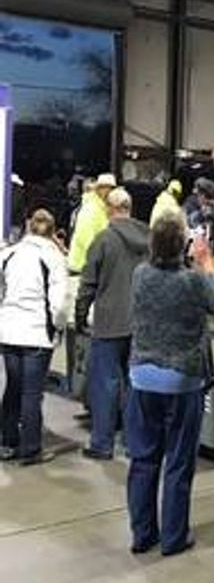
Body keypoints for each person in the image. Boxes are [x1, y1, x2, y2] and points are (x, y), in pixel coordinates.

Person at [126, 213, 214, 555]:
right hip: (182, 380)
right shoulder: (192, 281)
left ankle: (142, 534)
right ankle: (173, 537)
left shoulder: (140, 275)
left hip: (142, 376)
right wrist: (206, 261)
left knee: (143, 459)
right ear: (183, 243)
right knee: (179, 461)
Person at [75, 188, 150, 460]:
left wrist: (81, 317)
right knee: (135, 385)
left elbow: (88, 284)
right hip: (141, 325)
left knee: (105, 384)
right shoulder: (150, 239)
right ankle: (133, 444)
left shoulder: (104, 239)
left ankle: (102, 444)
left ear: (110, 209)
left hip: (108, 324)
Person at [0, 209, 69, 464]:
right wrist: (58, 327)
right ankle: (30, 449)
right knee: (32, 392)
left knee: (13, 388)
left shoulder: (10, 253)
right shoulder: (52, 257)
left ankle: (7, 442)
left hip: (8, 331)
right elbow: (59, 303)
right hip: (37, 333)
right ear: (52, 231)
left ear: (29, 227)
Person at [67, 172, 115, 273]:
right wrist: (99, 260)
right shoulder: (91, 208)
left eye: (112, 189)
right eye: (108, 188)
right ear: (99, 189)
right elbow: (86, 238)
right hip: (83, 267)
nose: (110, 192)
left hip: (90, 265)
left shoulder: (102, 208)